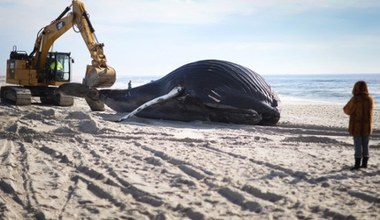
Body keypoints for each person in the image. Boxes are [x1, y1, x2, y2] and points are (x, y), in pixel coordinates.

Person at [343, 81, 374, 170]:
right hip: (367, 126)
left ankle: (357, 164)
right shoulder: (369, 99)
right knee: (365, 144)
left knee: (357, 145)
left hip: (356, 126)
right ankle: (364, 164)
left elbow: (347, 110)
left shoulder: (355, 99)